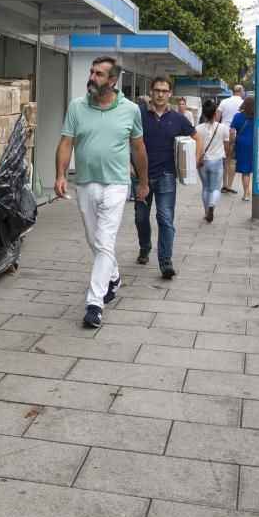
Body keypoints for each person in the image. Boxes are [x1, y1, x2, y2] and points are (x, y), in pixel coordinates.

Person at [55, 56, 149, 328]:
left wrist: (143, 182)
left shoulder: (130, 110)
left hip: (117, 183)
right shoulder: (77, 107)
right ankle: (114, 275)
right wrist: (61, 174)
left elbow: (138, 148)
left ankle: (94, 303)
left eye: (99, 74)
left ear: (112, 80)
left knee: (105, 240)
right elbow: (66, 142)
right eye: (92, 72)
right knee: (94, 239)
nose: (93, 77)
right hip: (85, 181)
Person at [132, 76, 200, 279]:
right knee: (140, 217)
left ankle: (165, 262)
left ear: (170, 93)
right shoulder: (139, 115)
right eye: (156, 90)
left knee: (165, 218)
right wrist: (128, 163)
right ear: (151, 92)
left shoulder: (179, 119)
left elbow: (197, 138)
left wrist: (193, 164)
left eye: (164, 91)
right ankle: (145, 247)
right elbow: (124, 138)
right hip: (140, 176)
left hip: (166, 175)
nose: (160, 94)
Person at [195, 98, 231, 222]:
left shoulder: (198, 128)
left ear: (204, 114)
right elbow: (226, 145)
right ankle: (212, 206)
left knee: (205, 187)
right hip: (217, 161)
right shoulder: (223, 128)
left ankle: (206, 212)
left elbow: (195, 145)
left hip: (202, 162)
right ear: (215, 113)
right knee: (215, 187)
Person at [217, 85, 245, 193]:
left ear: (233, 91)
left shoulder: (224, 102)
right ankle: (229, 185)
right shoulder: (243, 103)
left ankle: (223, 185)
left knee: (224, 160)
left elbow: (217, 118)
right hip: (236, 133)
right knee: (232, 161)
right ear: (241, 91)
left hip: (223, 132)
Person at [230, 96, 256, 201]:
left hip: (241, 144)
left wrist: (231, 141)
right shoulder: (258, 117)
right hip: (255, 143)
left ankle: (246, 193)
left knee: (246, 171)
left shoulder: (237, 116)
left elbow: (231, 131)